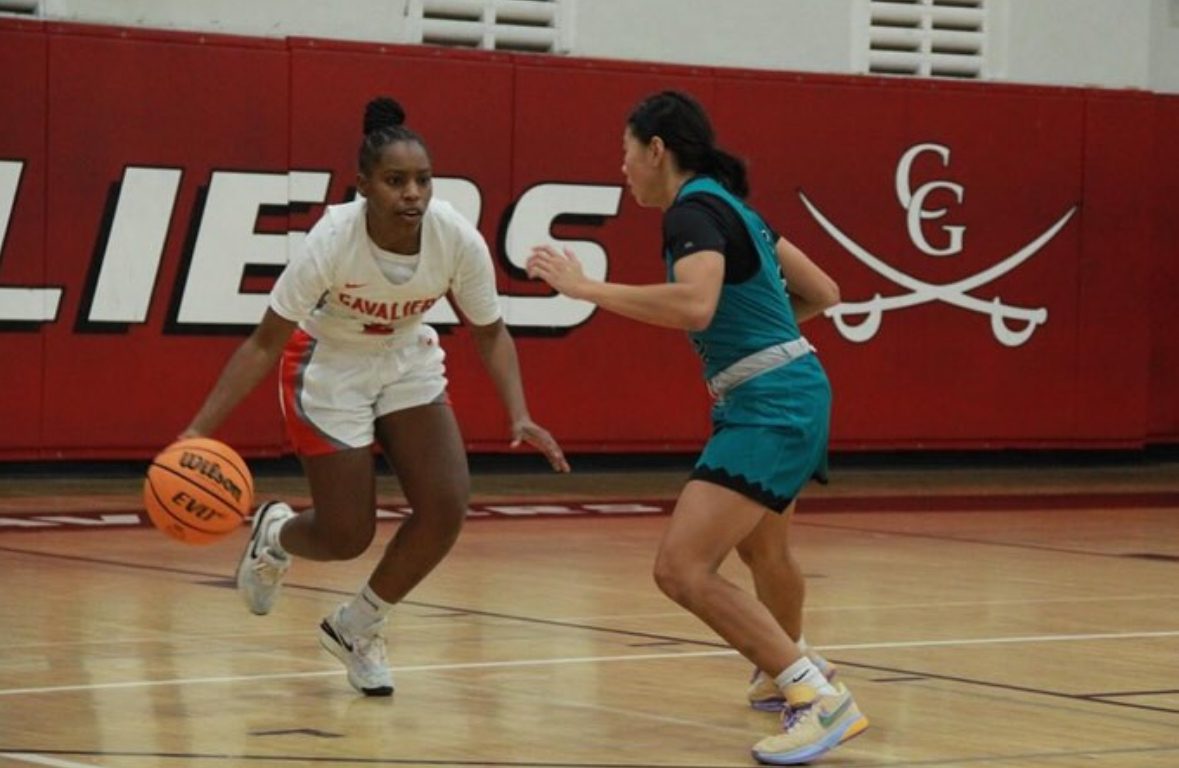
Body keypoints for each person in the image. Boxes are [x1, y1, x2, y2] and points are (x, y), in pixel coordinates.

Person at [181, 96, 569, 697]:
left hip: (406, 357)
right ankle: (276, 534)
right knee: (346, 536)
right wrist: (198, 429)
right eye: (395, 181)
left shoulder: (455, 240)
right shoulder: (331, 240)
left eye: (422, 180)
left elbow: (489, 331)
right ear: (363, 185)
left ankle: (357, 626)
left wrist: (519, 411)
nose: (412, 193)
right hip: (329, 365)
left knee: (447, 505)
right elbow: (263, 342)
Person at [526, 90, 866, 765]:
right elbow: (824, 293)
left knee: (680, 568)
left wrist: (587, 289)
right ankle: (782, 673)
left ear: (657, 150)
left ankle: (815, 697)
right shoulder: (736, 209)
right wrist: (759, 338)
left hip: (771, 404)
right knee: (763, 554)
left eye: (626, 156)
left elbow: (695, 303)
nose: (622, 171)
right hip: (792, 388)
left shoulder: (690, 212)